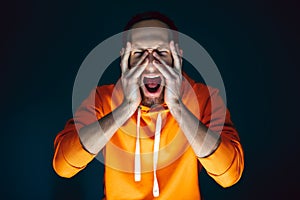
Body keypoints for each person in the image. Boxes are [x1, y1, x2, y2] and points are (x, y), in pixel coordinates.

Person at [53, 11, 244, 199]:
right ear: (125, 59)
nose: (151, 65)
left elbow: (229, 176)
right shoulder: (102, 99)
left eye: (161, 52)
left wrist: (177, 106)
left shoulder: (205, 97)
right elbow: (63, 166)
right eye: (139, 54)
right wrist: (125, 108)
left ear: (177, 57)